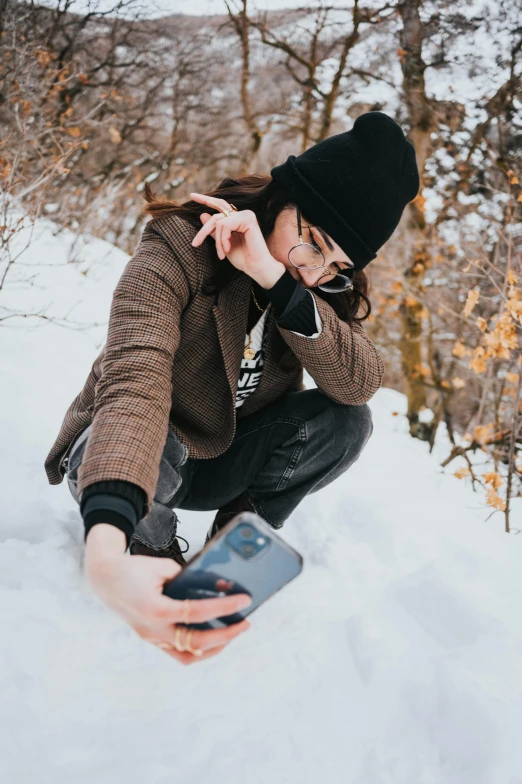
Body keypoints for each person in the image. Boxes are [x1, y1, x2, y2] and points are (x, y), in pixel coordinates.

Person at [44, 111, 419, 664]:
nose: (314, 273)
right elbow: (133, 383)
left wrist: (277, 279)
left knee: (348, 421)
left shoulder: (306, 286)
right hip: (138, 447)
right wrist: (104, 559)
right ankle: (148, 545)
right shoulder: (180, 245)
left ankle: (236, 542)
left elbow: (360, 383)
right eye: (313, 243)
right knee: (149, 434)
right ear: (283, 196)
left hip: (225, 455)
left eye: (336, 265)